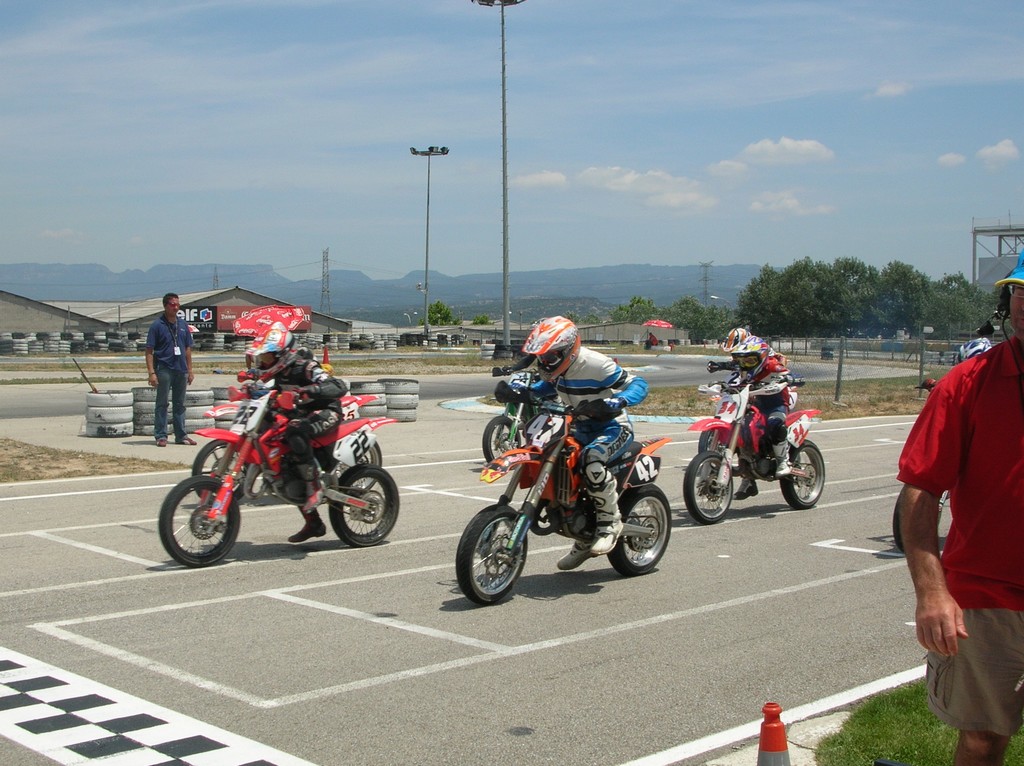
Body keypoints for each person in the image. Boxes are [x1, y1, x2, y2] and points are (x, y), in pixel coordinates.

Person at [896, 256, 1024, 766]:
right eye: (1021, 293)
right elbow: (921, 490)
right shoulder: (967, 384)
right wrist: (931, 592)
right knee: (981, 739)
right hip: (988, 600)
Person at [505, 316, 649, 571]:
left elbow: (638, 384)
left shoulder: (596, 364)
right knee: (552, 457)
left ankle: (609, 523)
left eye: (550, 356)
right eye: (541, 356)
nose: (545, 362)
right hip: (578, 427)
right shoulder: (557, 369)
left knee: (592, 461)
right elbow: (547, 388)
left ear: (569, 349)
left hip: (612, 427)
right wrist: (522, 391)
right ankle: (582, 534)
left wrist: (618, 401)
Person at [248, 322, 349, 543]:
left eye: (266, 357)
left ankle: (314, 486)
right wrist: (250, 389)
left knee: (294, 429)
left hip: (326, 412)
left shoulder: (306, 367)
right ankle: (314, 523)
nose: (263, 362)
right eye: (261, 358)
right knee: (283, 459)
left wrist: (309, 390)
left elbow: (338, 386)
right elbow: (269, 392)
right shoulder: (280, 373)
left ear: (282, 355)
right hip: (300, 415)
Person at [711, 336, 794, 500]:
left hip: (775, 404)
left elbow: (789, 373)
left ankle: (782, 460)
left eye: (750, 360)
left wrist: (791, 378)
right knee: (740, 432)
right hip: (753, 404)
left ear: (761, 357)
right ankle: (748, 478)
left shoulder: (772, 365)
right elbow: (731, 367)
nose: (745, 364)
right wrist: (717, 368)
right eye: (742, 360)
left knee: (775, 425)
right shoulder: (742, 366)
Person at [145, 293, 195, 447]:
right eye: (173, 304)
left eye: (177, 304)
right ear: (165, 306)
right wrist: (151, 373)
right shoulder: (157, 325)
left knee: (179, 404)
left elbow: (187, 349)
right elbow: (149, 351)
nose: (176, 307)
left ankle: (181, 435)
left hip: (181, 369)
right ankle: (161, 435)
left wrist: (190, 370)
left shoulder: (183, 325)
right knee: (162, 403)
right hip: (164, 369)